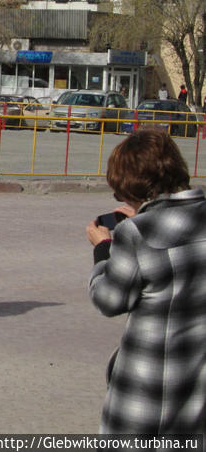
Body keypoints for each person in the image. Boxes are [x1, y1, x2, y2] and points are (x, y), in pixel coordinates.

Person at [85, 129, 206, 433]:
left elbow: (109, 300)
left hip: (146, 396)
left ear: (136, 188)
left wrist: (103, 249)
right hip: (195, 395)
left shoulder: (136, 234)